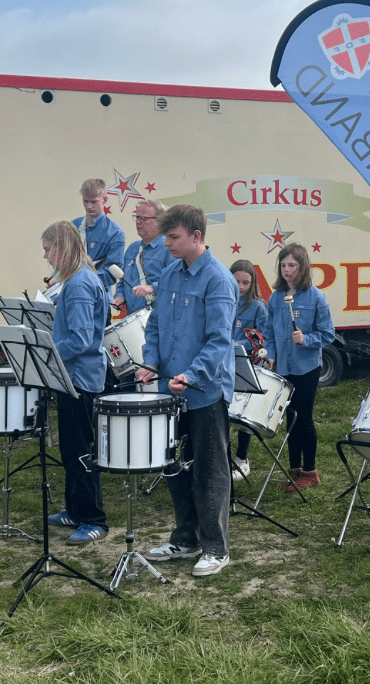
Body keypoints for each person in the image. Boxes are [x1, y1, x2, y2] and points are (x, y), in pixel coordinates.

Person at [137, 204, 237, 577]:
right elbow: (156, 326)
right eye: (166, 236)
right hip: (169, 389)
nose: (167, 243)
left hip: (204, 392)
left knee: (208, 472)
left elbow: (218, 341)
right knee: (175, 467)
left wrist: (192, 375)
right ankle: (184, 538)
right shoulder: (169, 273)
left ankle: (216, 547)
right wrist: (150, 364)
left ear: (197, 236)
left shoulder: (218, 279)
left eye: (174, 237)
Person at [42, 220, 111, 544]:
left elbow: (82, 339)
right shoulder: (77, 280)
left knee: (82, 451)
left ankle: (93, 518)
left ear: (61, 247)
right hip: (73, 377)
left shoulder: (81, 283)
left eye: (47, 250)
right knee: (70, 449)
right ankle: (74, 509)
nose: (46, 257)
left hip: (80, 378)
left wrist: (49, 356)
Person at [263, 243, 334, 491]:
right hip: (284, 367)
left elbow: (328, 334)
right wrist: (271, 354)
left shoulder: (316, 297)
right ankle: (294, 469)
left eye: (291, 265)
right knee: (289, 417)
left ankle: (310, 471)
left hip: (306, 367)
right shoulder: (275, 297)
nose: (286, 270)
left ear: (302, 267)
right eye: (283, 265)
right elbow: (269, 331)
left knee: (304, 417)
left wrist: (307, 339)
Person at [229, 259, 270, 481]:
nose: (241, 287)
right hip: (223, 364)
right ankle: (221, 457)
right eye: (236, 281)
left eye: (246, 282)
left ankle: (242, 459)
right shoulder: (222, 299)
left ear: (252, 283)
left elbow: (264, 337)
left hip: (247, 366)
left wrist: (252, 345)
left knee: (244, 413)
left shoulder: (257, 306)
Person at [71, 178, 125, 310]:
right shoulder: (73, 226)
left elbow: (111, 274)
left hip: (98, 301)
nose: (89, 206)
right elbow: (63, 259)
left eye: (94, 202)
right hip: (71, 295)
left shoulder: (115, 233)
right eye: (85, 201)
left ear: (104, 200)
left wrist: (82, 279)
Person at [113, 199, 169, 317]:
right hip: (132, 319)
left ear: (160, 221)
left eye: (144, 218)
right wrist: (119, 295)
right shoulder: (132, 249)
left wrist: (152, 288)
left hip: (158, 318)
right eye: (137, 217)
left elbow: (177, 283)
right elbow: (123, 280)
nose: (138, 222)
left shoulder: (168, 249)